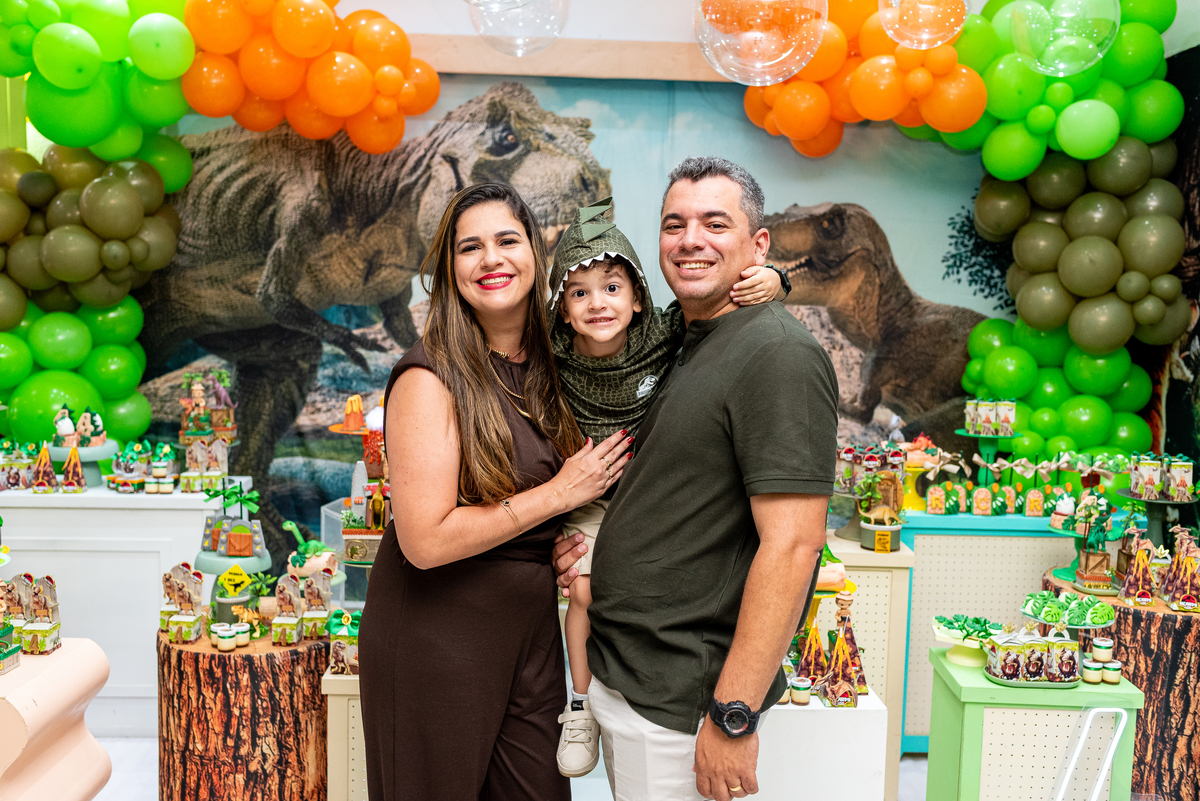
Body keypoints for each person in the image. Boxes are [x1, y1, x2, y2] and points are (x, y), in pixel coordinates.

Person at [555, 157, 838, 801]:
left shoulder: (777, 354)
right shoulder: (688, 338)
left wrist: (734, 714)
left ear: (758, 245)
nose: (690, 240)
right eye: (673, 225)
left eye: (715, 223)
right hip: (629, 678)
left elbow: (794, 545)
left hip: (686, 703)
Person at [358, 182, 633, 800]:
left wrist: (767, 284)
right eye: (469, 247)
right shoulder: (429, 376)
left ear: (535, 252)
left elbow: (653, 333)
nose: (491, 259)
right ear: (449, 269)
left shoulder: (558, 360)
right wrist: (558, 497)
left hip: (529, 632)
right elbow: (425, 541)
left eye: (507, 240)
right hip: (434, 634)